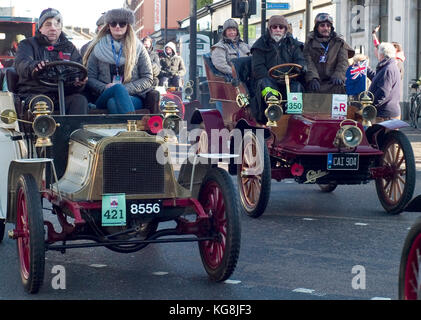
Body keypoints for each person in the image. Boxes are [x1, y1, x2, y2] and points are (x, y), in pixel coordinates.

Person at [14, 8, 88, 114]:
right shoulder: (27, 45)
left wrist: (79, 80)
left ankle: (75, 130)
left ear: (61, 28)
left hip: (62, 94)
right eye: (48, 24)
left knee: (80, 100)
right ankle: (44, 130)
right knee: (42, 104)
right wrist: (35, 66)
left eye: (57, 24)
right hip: (34, 93)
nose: (53, 28)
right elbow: (21, 64)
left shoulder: (69, 48)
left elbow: (78, 69)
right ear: (40, 28)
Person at [83, 8, 153, 114]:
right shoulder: (98, 47)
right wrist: (105, 87)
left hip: (133, 97)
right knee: (115, 92)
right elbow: (90, 78)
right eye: (113, 23)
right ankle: (132, 127)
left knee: (113, 101)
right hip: (103, 96)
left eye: (122, 23)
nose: (117, 26)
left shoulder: (138, 48)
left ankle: (123, 129)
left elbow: (148, 79)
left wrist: (124, 89)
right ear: (108, 26)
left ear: (128, 26)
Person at [250, 15, 306, 120]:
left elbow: (300, 60)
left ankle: (294, 116)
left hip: (288, 80)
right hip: (268, 79)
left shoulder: (293, 44)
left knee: (297, 86)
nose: (278, 30)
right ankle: (272, 110)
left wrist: (301, 67)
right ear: (270, 29)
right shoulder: (260, 44)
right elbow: (258, 68)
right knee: (265, 85)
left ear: (285, 29)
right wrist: (272, 78)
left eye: (281, 27)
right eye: (274, 27)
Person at [304, 13, 354, 94]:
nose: (326, 28)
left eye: (328, 26)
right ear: (317, 28)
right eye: (322, 25)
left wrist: (338, 75)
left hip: (333, 81)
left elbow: (343, 62)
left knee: (340, 89)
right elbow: (308, 61)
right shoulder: (309, 43)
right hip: (317, 81)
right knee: (309, 90)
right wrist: (312, 78)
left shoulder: (339, 42)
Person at [367, 42, 401, 121]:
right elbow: (378, 79)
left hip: (385, 114)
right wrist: (367, 70)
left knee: (378, 133)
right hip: (387, 112)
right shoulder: (389, 66)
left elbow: (383, 92)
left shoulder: (388, 69)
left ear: (381, 55)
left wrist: (371, 106)